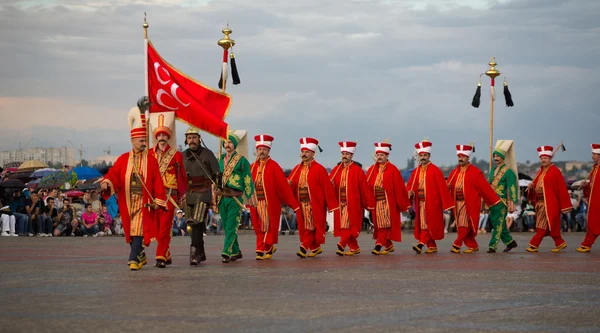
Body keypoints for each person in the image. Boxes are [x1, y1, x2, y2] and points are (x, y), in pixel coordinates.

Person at [101, 99, 167, 270]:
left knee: (139, 229)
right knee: (131, 231)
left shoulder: (151, 160)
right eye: (141, 141)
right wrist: (106, 183)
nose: (144, 144)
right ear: (133, 140)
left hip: (144, 201)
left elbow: (157, 181)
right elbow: (113, 175)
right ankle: (140, 255)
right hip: (128, 200)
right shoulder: (123, 159)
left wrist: (159, 199)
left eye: (145, 141)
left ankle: (133, 260)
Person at [250, 134, 302, 260]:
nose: (261, 151)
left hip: (269, 203)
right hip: (256, 202)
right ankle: (266, 247)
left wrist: (292, 203)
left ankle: (262, 248)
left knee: (267, 225)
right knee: (257, 225)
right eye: (260, 149)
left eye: (264, 149)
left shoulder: (274, 166)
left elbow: (283, 187)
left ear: (268, 151)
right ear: (256, 150)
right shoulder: (251, 167)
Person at [288, 137, 338, 258]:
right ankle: (315, 248)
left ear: (313, 153)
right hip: (301, 203)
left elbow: (327, 187)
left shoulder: (319, 169)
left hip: (314, 203)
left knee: (310, 225)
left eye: (307, 152)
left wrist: (332, 205)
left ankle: (304, 247)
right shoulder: (296, 169)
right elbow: (291, 183)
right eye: (303, 152)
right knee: (304, 225)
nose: (304, 154)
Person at [149, 113, 188, 268]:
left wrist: (181, 195)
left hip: (168, 196)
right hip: (153, 197)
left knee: (165, 228)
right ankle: (166, 253)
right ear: (156, 137)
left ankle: (160, 257)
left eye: (165, 135)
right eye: (160, 135)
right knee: (157, 229)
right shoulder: (149, 155)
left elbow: (181, 176)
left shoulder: (176, 155)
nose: (162, 137)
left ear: (168, 137)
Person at [447, 144, 501, 253]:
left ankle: (457, 244)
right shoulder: (454, 172)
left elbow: (485, 187)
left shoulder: (475, 172)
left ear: (468, 158)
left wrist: (494, 200)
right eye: (459, 157)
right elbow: (449, 186)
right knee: (462, 224)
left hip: (469, 203)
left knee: (464, 224)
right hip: (457, 203)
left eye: (463, 157)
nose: (460, 159)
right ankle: (473, 245)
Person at [407, 140, 454, 254]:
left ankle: (420, 244)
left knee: (429, 224)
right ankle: (432, 246)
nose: (423, 157)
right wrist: (410, 192)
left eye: (425, 155)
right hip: (420, 203)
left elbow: (442, 187)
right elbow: (410, 186)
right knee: (423, 224)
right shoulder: (416, 171)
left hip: (433, 202)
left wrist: (446, 203)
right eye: (421, 155)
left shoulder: (435, 170)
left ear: (429, 156)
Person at [182, 126, 220, 265]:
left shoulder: (207, 154)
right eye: (189, 138)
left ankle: (193, 253)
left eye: (194, 137)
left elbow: (217, 174)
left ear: (199, 139)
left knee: (197, 221)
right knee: (192, 225)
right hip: (188, 193)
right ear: (186, 139)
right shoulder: (182, 155)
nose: (192, 140)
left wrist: (219, 187)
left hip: (204, 192)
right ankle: (201, 253)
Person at [330, 141, 374, 256]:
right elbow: (328, 184)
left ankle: (342, 243)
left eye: (347, 154)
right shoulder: (336, 170)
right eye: (343, 153)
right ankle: (354, 247)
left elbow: (364, 188)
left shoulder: (357, 170)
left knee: (351, 225)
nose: (345, 156)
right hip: (340, 203)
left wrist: (369, 203)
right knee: (344, 225)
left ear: (352, 155)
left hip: (353, 203)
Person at [217, 131, 255, 263]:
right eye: (226, 142)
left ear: (235, 145)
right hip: (222, 197)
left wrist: (250, 196)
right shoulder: (220, 160)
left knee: (231, 225)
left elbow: (247, 178)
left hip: (235, 197)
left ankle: (226, 251)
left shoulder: (242, 160)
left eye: (230, 142)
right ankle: (236, 251)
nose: (227, 144)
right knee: (227, 224)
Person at [526, 146, 572, 253]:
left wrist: (565, 205)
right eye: (541, 158)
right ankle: (560, 242)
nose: (543, 160)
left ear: (550, 158)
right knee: (549, 225)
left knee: (542, 224)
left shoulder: (555, 172)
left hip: (550, 204)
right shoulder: (540, 172)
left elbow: (562, 189)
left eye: (545, 158)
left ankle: (534, 244)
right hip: (540, 203)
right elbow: (535, 185)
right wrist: (531, 187)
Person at [365, 141, 408, 255]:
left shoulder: (393, 169)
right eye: (378, 155)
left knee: (384, 225)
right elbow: (366, 186)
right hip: (376, 202)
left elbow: (399, 188)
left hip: (387, 202)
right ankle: (388, 246)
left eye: (382, 155)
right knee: (378, 225)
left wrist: (403, 203)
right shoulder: (371, 170)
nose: (379, 157)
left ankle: (378, 246)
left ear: (387, 156)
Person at [487, 140, 519, 253]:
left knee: (498, 224)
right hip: (491, 201)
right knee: (497, 223)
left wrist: (512, 201)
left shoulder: (508, 172)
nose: (495, 158)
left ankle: (492, 246)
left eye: (498, 156)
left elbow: (512, 187)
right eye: (494, 156)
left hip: (501, 201)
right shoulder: (493, 170)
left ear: (503, 157)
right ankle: (510, 242)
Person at [577, 144, 600, 252]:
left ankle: (586, 244)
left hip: (597, 201)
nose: (592, 156)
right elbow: (593, 185)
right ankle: (586, 244)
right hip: (595, 201)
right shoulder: (595, 168)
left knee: (595, 223)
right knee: (593, 223)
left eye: (594, 154)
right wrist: (586, 186)